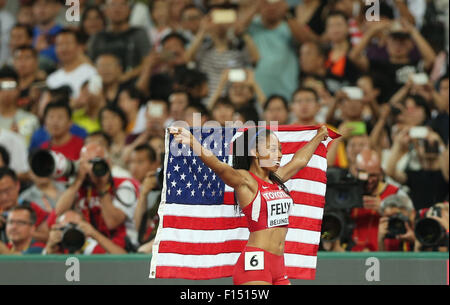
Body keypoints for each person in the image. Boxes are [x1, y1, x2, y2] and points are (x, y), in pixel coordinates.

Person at [170, 124, 329, 285]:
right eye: (272, 149)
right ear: (255, 152)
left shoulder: (276, 180)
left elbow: (299, 161)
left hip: (279, 265)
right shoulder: (246, 180)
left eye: (280, 149)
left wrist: (319, 136)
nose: (279, 155)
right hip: (256, 263)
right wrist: (193, 143)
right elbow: (220, 167)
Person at [54, 142, 139, 251]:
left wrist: (102, 188)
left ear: (108, 163)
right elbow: (59, 212)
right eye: (88, 162)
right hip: (89, 246)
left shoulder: (124, 185)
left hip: (121, 247)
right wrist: (78, 181)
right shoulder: (81, 186)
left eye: (97, 161)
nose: (93, 167)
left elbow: (112, 223)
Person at [349, 148, 410, 252]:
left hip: (387, 257)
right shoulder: (347, 193)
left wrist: (386, 209)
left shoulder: (396, 193)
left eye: (373, 175)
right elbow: (328, 231)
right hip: (351, 257)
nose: (369, 179)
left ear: (381, 172)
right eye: (364, 174)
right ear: (356, 171)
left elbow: (412, 221)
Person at [87, 0, 151, 82]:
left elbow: (148, 62)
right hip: (101, 84)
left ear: (129, 10)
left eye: (122, 5)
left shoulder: (139, 33)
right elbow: (89, 63)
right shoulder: (97, 37)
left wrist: (125, 77)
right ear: (105, 11)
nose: (117, 9)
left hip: (132, 83)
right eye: (113, 5)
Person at [44, 209, 127, 254]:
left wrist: (94, 234)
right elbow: (40, 274)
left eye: (75, 226)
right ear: (57, 227)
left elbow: (125, 261)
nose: (71, 231)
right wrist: (50, 246)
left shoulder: (89, 246)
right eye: (67, 226)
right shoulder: (56, 247)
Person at [0, 167, 49, 244]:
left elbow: (47, 237)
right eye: (0, 192)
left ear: (17, 186)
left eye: (7, 190)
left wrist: (24, 232)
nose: (4, 197)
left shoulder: (31, 207)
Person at [46, 29, 98, 100]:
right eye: (59, 44)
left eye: (68, 43)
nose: (64, 48)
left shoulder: (91, 72)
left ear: (79, 47)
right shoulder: (51, 79)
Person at [0, 66, 39, 144]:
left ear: (18, 89)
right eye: (2, 87)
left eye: (10, 87)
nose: (6, 92)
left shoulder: (31, 120)